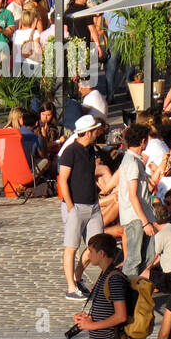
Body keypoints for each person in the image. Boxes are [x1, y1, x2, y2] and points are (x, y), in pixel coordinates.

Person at [58, 115, 104, 299]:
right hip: (76, 205)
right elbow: (63, 180)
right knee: (71, 247)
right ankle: (71, 288)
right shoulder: (71, 151)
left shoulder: (91, 149)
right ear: (88, 132)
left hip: (93, 205)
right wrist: (70, 207)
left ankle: (78, 277)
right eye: (96, 130)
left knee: (96, 244)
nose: (98, 133)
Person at [116, 124, 156, 280]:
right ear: (143, 141)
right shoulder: (132, 162)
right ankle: (125, 294)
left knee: (146, 255)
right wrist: (145, 222)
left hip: (138, 216)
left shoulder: (132, 160)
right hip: (136, 218)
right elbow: (133, 195)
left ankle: (136, 291)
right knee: (134, 259)